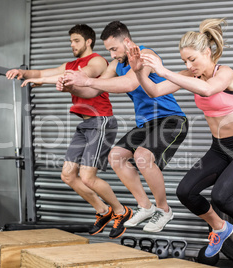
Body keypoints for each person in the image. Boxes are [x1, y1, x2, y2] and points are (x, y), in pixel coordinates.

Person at [127, 18, 233, 267]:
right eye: (184, 61)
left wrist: (164, 71)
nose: (188, 65)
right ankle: (219, 227)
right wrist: (138, 70)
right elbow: (154, 91)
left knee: (221, 196)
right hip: (219, 148)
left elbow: (207, 90)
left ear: (207, 51)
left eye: (192, 59)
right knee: (185, 191)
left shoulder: (225, 73)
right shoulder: (187, 75)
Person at [59, 21, 188, 233]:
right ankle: (145, 206)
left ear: (126, 42)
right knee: (116, 156)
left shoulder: (145, 55)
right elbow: (92, 92)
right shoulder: (116, 64)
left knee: (142, 157)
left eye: (114, 49)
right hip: (146, 124)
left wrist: (89, 81)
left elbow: (129, 83)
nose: (112, 55)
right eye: (109, 50)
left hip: (171, 119)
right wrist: (71, 87)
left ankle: (164, 209)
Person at [6, 24, 132, 239]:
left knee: (87, 176)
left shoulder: (97, 61)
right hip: (85, 125)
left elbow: (81, 76)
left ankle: (122, 211)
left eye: (76, 40)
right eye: (71, 41)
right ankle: (104, 211)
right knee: (67, 175)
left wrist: (44, 81)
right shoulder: (70, 64)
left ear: (88, 41)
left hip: (101, 122)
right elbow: (41, 72)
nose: (72, 44)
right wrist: (23, 72)